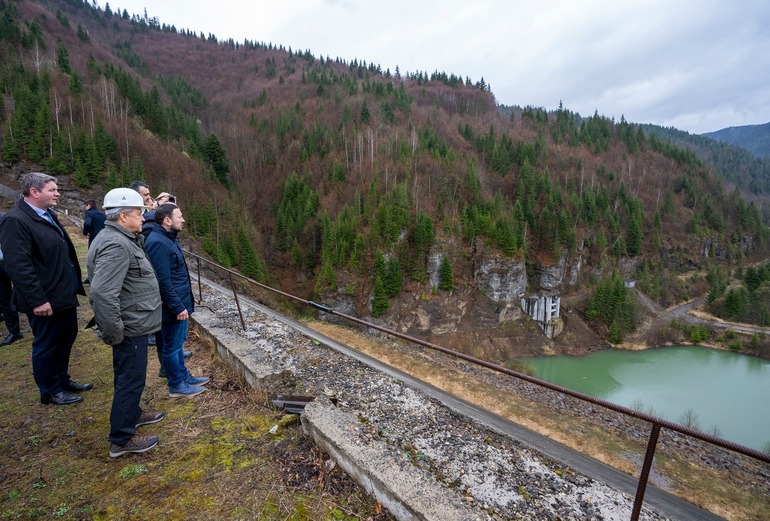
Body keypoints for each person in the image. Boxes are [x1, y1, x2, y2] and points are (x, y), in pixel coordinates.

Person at [87, 187, 165, 458]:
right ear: (123, 215)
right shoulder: (116, 244)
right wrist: (115, 332)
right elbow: (102, 293)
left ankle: (133, 415)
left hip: (134, 323)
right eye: (139, 213)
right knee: (130, 380)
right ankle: (121, 439)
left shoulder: (123, 237)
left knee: (132, 377)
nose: (144, 217)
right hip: (129, 327)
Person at [0, 172, 90, 405]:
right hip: (44, 298)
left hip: (62, 293)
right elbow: (18, 266)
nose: (57, 193)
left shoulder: (46, 214)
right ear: (34, 192)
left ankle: (62, 380)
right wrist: (37, 300)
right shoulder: (16, 220)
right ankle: (50, 390)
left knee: (67, 336)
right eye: (53, 189)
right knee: (47, 343)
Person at [145, 203, 209, 398]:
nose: (183, 220)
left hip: (178, 303)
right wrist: (177, 306)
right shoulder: (158, 242)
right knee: (171, 346)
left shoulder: (167, 238)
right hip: (173, 307)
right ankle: (176, 385)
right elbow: (163, 281)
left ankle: (184, 376)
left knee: (177, 344)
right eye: (179, 216)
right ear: (167, 220)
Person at [0, 214, 23, 346]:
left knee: (25, 292)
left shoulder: (7, 218)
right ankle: (14, 331)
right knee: (4, 300)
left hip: (13, 261)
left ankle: (39, 326)